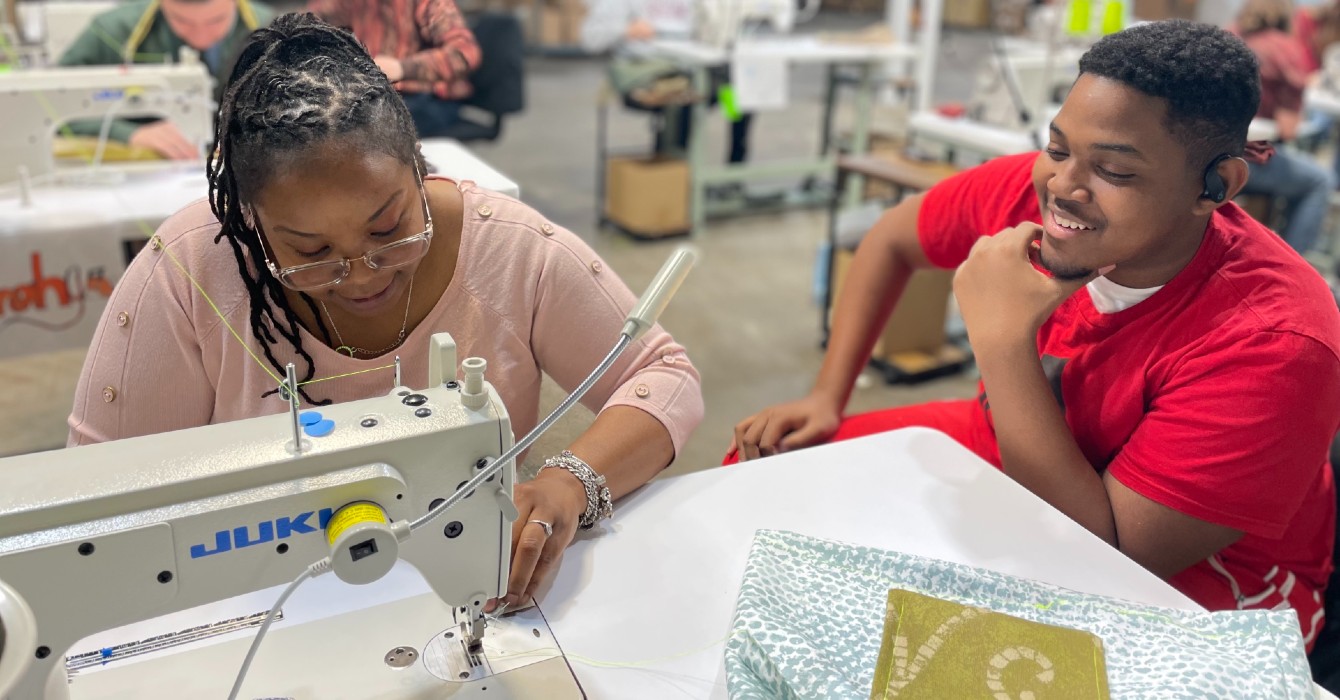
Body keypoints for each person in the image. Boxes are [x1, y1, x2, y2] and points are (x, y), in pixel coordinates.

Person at [731, 20, 1340, 649]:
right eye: (1057, 148)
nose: (1063, 188)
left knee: (956, 654)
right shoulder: (1035, 192)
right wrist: (828, 395)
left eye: (1114, 170)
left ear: (1216, 186)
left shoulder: (1276, 338)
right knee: (766, 465)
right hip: (1025, 458)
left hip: (1189, 574)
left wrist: (1000, 340)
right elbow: (891, 239)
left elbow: (1104, 557)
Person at [67, 13, 703, 609]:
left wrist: (571, 481)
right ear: (250, 216)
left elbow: (663, 376)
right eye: (309, 251)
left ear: (417, 167)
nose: (361, 274)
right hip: (261, 601)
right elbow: (97, 495)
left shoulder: (509, 253)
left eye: (389, 226)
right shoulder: (190, 275)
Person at [59, 0, 274, 160]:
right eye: (182, 21)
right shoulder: (111, 33)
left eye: (217, 21)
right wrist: (126, 133)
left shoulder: (273, 30)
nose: (200, 37)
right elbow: (48, 104)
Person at [582, 0, 753, 167]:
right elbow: (590, 38)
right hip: (646, 70)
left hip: (691, 67)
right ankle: (674, 172)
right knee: (684, 100)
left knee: (739, 92)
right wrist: (626, 30)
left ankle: (734, 169)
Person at [1235, 0, 1336, 254]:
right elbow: (1288, 128)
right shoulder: (1286, 50)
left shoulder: (1229, 35)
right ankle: (1292, 267)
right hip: (1250, 157)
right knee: (1319, 181)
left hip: (1207, 154)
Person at [307, 0, 480, 139]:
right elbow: (309, 18)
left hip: (428, 99)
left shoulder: (429, 4)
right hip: (374, 95)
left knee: (352, 130)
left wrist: (401, 68)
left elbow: (465, 53)